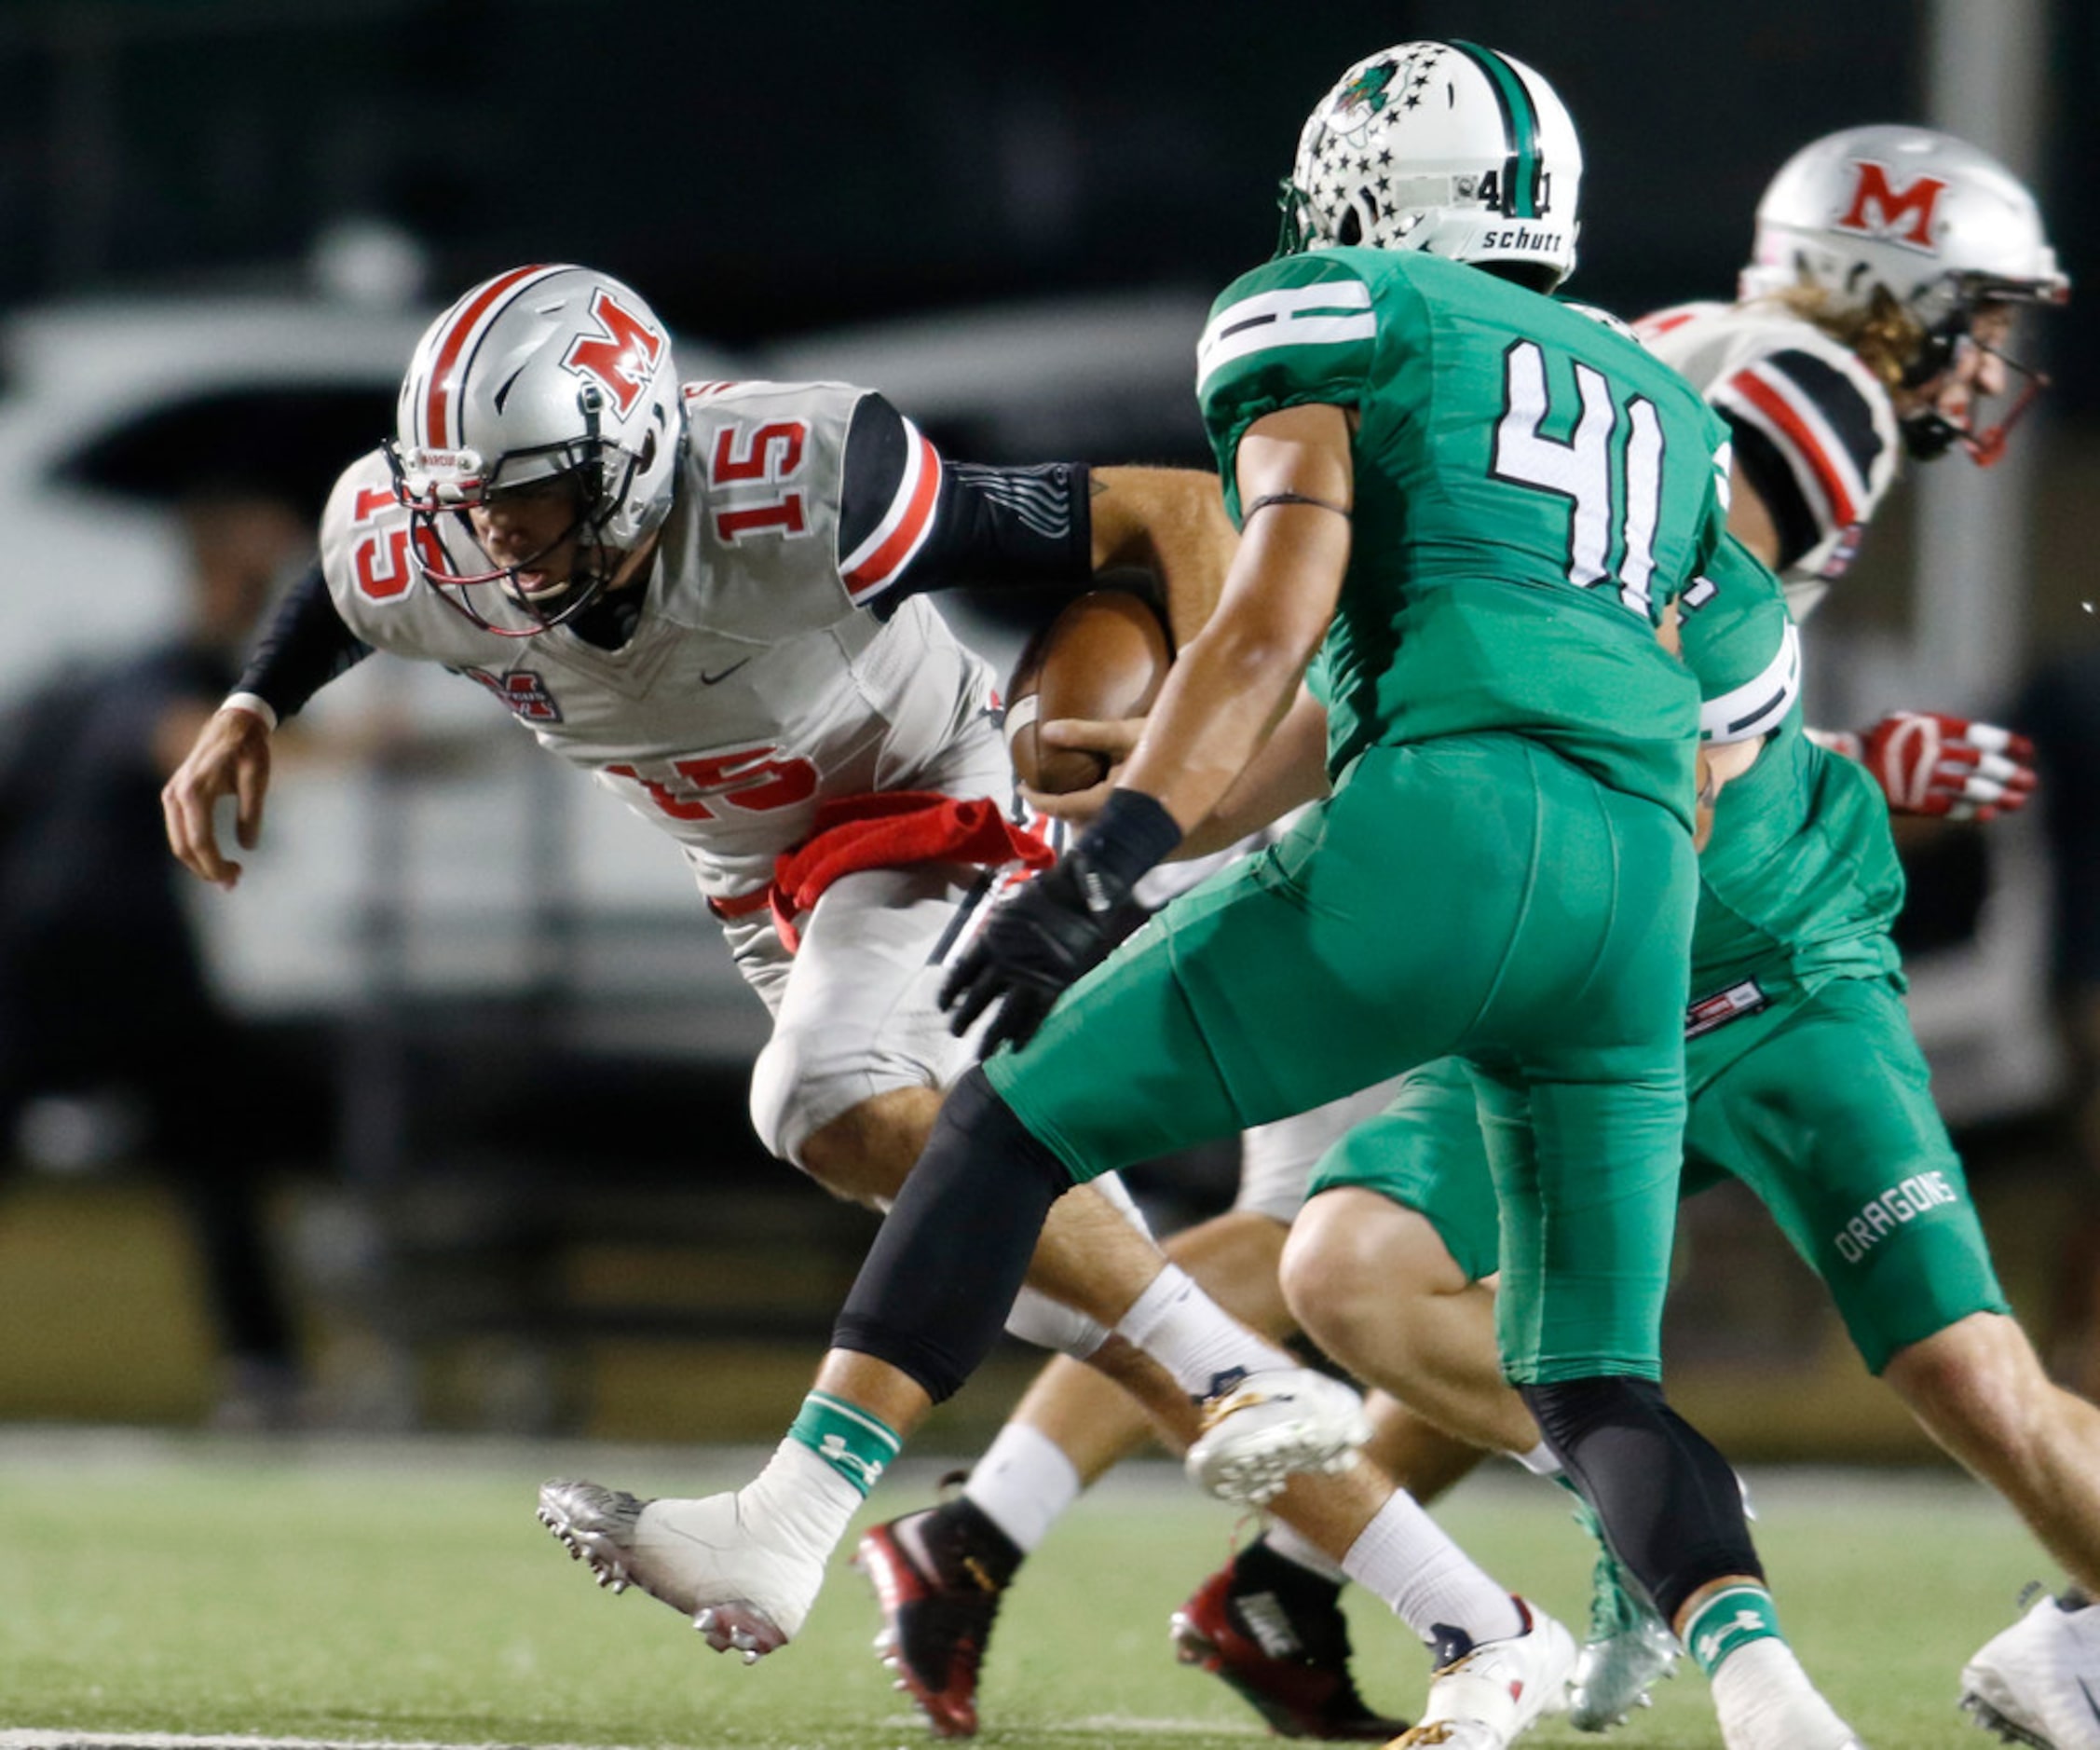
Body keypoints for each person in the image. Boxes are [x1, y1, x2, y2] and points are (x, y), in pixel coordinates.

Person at [536, 43, 1862, 1750]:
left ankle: (797, 1519)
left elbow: (1267, 612)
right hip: (1631, 887)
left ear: (1367, 190)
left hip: (1441, 828)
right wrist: (1164, 792)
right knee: (1588, 1373)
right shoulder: (1666, 402)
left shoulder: (1325, 306)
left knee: (1002, 1119)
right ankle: (1773, 1700)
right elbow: (1712, 724)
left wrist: (1097, 874)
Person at [851, 114, 2062, 1749]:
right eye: (1970, 308)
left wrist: (1155, 811)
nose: (1987, 356)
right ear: (1877, 283)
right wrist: (1825, 771)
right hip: (1529, 852)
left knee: (1380, 1260)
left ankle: (1235, 1565)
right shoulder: (1792, 397)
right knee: (1331, 1252)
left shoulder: (1629, 354)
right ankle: (1027, 1530)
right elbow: (1657, 693)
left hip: (1430, 793)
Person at [162, 265, 1393, 1456]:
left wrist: (1201, 737)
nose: (493, 532)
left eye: (529, 492)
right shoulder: (430, 547)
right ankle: (1367, 1542)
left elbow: (1169, 509)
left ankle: (1236, 1360)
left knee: (862, 1108)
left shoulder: (804, 486)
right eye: (468, 498)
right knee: (1023, 1261)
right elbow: (347, 585)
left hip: (936, 785)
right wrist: (256, 704)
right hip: (760, 880)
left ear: (632, 457)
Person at [1, 486, 320, 1427]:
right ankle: (263, 1367)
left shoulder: (130, 669)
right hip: (84, 954)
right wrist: (358, 751)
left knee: (218, 1140)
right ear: (223, 575)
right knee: (217, 1138)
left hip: (73, 951)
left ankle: (263, 1369)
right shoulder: (167, 669)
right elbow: (179, 746)